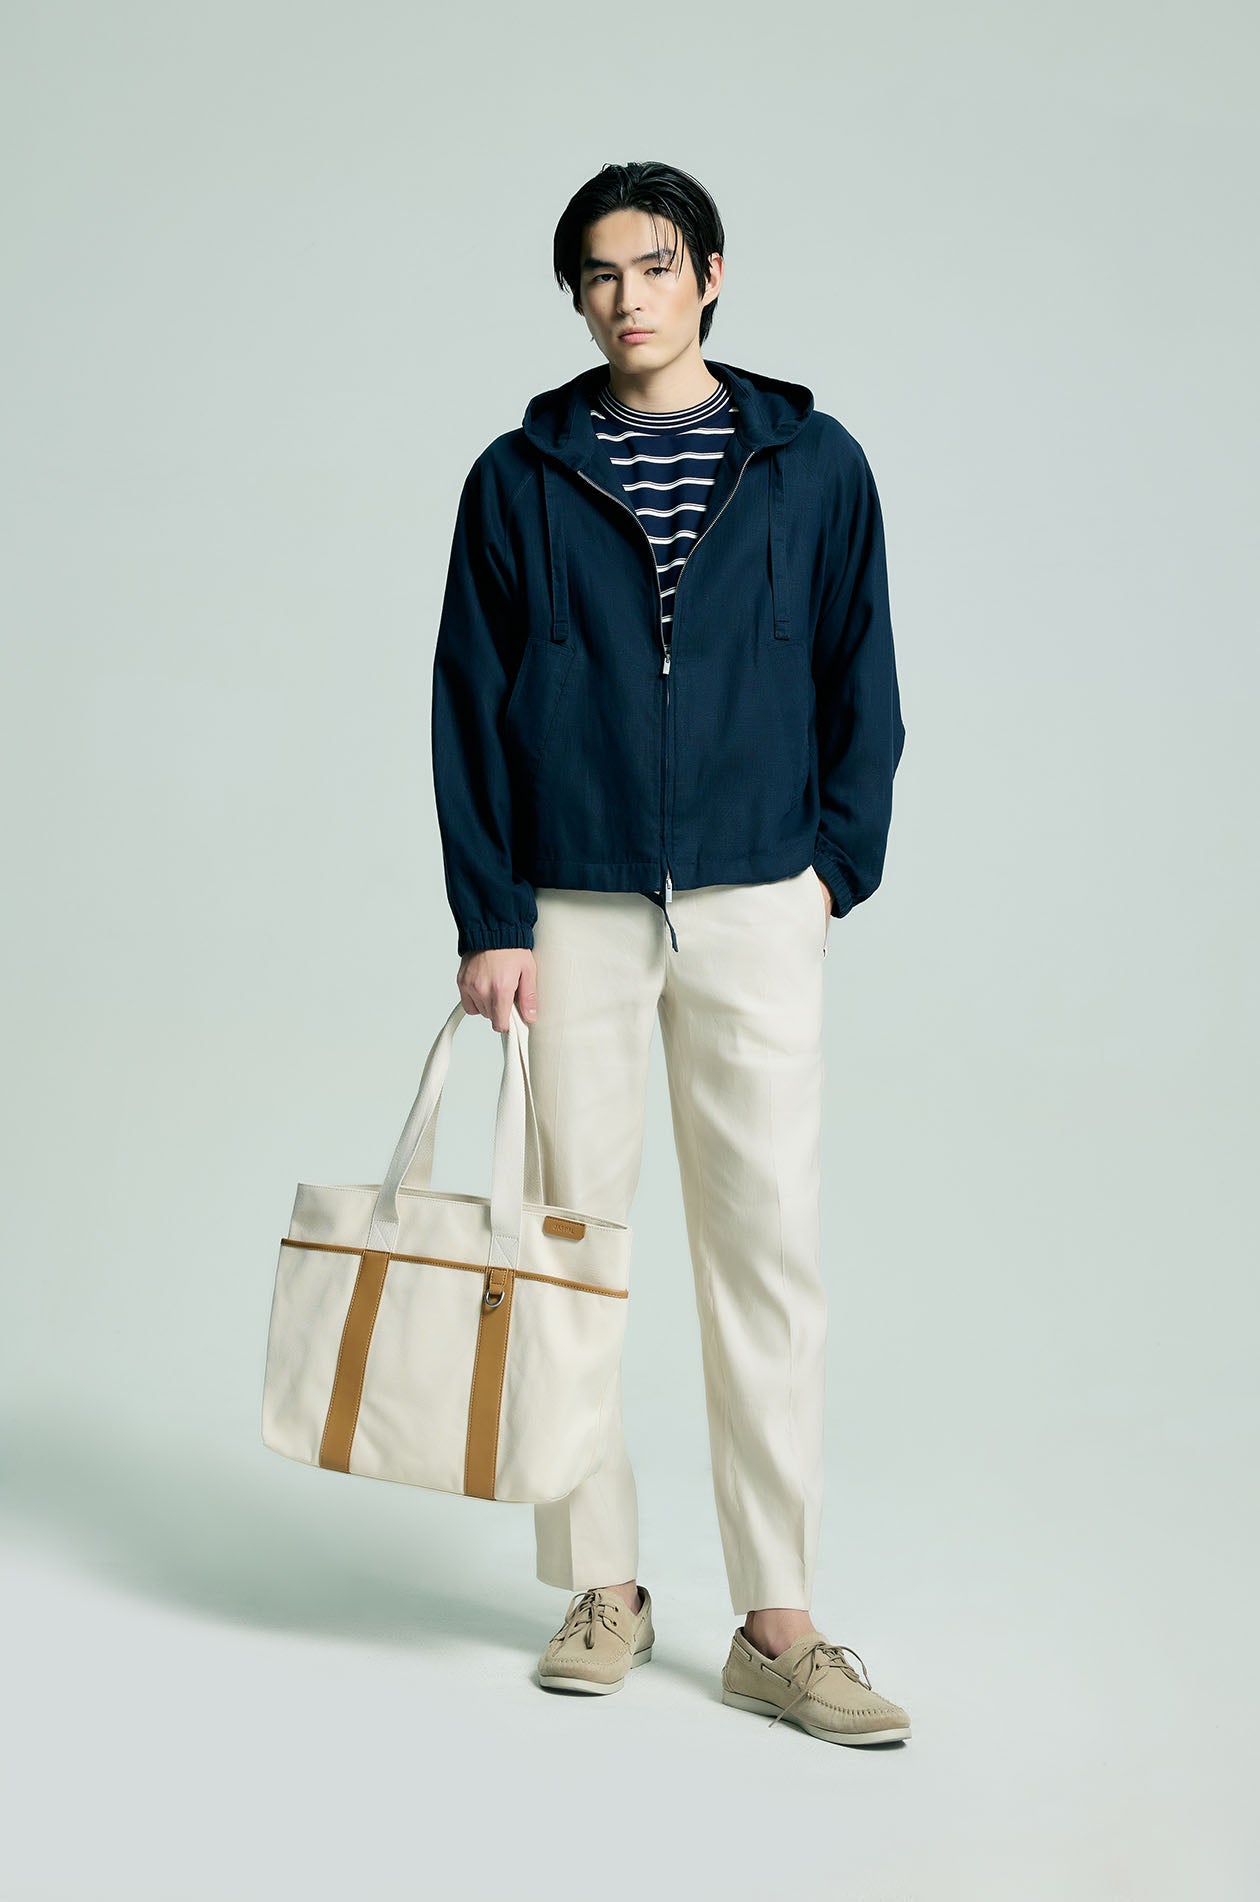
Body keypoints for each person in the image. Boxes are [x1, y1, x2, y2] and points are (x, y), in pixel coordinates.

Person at [430, 160, 910, 1746]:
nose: (623, 297)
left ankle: (780, 1621)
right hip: (571, 901)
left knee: (766, 1247)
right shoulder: (520, 476)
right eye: (595, 273)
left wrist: (831, 869)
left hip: (760, 894)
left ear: (709, 272)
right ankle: (604, 1583)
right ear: (576, 295)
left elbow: (861, 674)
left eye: (650, 265)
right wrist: (493, 918)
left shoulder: (814, 464)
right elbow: (468, 705)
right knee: (571, 1240)